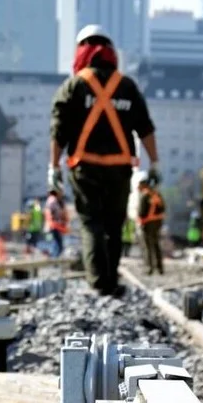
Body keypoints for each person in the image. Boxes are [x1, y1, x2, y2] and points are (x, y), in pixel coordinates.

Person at [49, 24, 160, 296]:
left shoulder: (74, 86)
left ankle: (100, 282)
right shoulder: (127, 86)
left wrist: (53, 167)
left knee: (92, 223)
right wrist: (155, 163)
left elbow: (58, 130)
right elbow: (145, 128)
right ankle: (110, 280)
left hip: (85, 168)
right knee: (113, 225)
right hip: (119, 170)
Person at [136, 171, 166, 275]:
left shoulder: (145, 195)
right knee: (156, 244)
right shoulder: (157, 195)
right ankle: (159, 267)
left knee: (147, 246)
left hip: (147, 224)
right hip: (157, 223)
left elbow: (141, 211)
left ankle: (149, 267)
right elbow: (163, 209)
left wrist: (140, 220)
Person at [44, 189, 68, 258]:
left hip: (54, 226)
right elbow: (52, 212)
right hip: (54, 226)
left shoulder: (54, 201)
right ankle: (54, 258)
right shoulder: (52, 200)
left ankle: (53, 257)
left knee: (56, 243)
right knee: (58, 244)